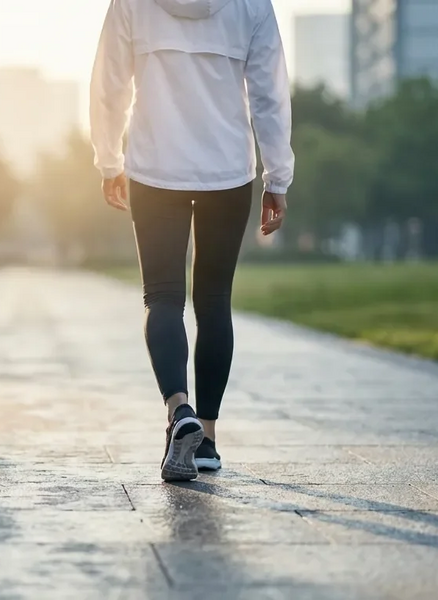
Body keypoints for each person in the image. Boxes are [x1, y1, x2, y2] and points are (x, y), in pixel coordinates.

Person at [90, 0, 294, 481]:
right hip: (228, 170)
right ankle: (207, 440)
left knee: (162, 297)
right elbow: (270, 93)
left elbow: (110, 84)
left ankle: (178, 409)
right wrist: (278, 177)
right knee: (214, 300)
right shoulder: (251, 6)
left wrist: (107, 159)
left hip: (154, 168)